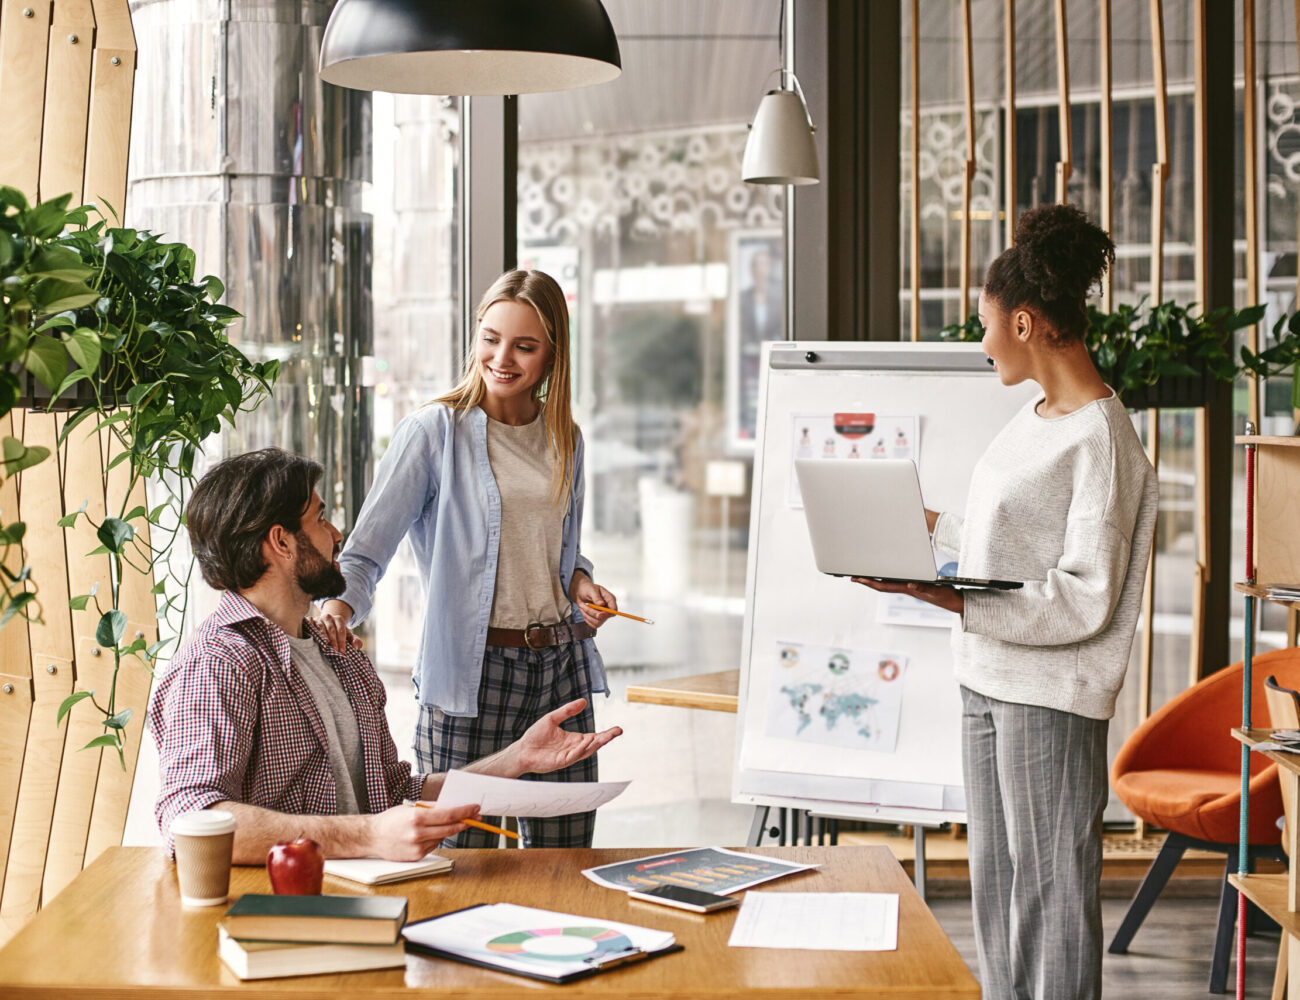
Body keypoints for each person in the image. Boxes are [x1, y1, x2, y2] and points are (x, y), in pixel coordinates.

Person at [855, 204, 1158, 1000]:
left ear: (1024, 321)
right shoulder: (1035, 417)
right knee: (997, 884)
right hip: (986, 678)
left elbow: (1082, 599)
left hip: (1048, 696)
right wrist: (906, 521)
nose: (980, 340)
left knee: (1050, 892)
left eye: (984, 324)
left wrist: (944, 596)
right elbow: (1000, 534)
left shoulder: (1102, 439)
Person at [149, 448, 621, 864]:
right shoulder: (220, 661)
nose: (337, 534)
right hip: (280, 915)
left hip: (358, 904)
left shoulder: (338, 655)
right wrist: (369, 836)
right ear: (282, 542)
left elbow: (393, 794)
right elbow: (190, 818)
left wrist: (515, 759)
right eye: (320, 518)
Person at [319, 269, 617, 850]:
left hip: (561, 668)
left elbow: (560, 551)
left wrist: (583, 583)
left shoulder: (566, 439)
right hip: (470, 678)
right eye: (490, 338)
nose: (502, 357)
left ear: (553, 353)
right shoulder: (434, 432)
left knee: (564, 861)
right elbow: (365, 551)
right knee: (458, 865)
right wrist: (337, 610)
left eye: (525, 346)